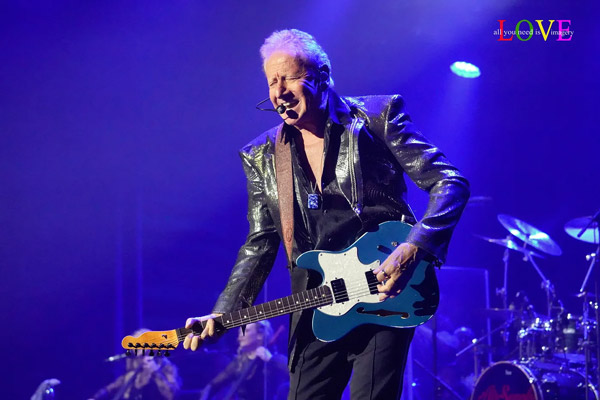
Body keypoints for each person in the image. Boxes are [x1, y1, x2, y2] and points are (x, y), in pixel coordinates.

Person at [184, 29, 470, 399]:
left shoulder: (376, 118)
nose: (279, 92)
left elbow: (450, 183)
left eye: (289, 77)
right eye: (272, 82)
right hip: (316, 301)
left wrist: (414, 247)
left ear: (322, 76)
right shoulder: (262, 155)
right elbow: (260, 243)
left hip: (384, 289)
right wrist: (224, 312)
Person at [199, 321, 288, 400]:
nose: (240, 336)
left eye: (246, 331)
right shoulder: (238, 363)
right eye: (239, 332)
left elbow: (291, 371)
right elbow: (213, 386)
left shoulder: (274, 359)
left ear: (260, 335)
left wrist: (270, 359)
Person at [90, 329, 181, 400]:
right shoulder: (134, 368)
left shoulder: (164, 366)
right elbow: (112, 387)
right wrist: (95, 398)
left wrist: (156, 372)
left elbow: (172, 395)